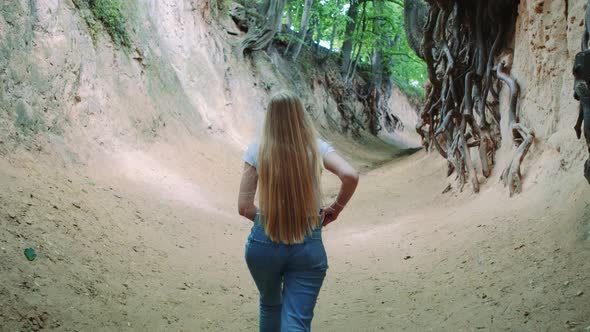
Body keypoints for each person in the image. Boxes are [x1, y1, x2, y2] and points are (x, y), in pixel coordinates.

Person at [237, 92, 359, 331]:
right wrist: (336, 208)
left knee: (270, 305)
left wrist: (272, 221)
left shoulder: (257, 150)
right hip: (307, 242)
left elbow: (244, 207)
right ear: (300, 115)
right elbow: (350, 175)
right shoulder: (316, 147)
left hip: (264, 243)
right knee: (297, 320)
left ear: (270, 117)